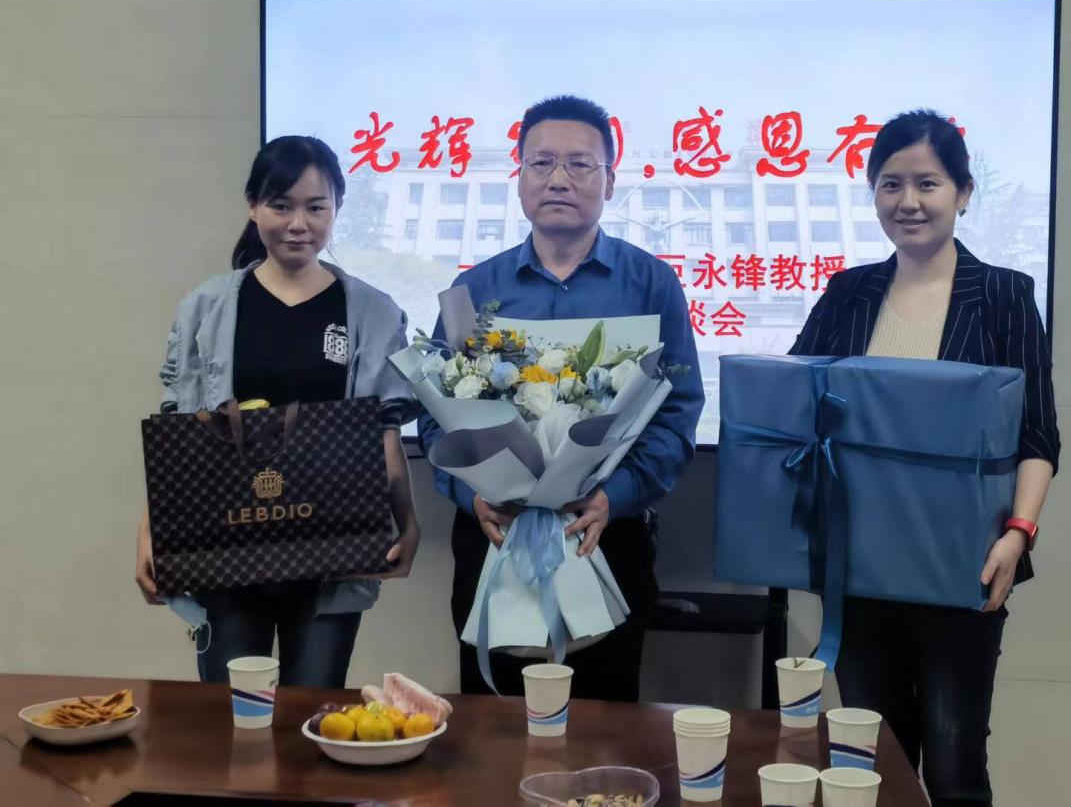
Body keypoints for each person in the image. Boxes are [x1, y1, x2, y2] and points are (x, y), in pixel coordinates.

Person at [791, 110, 1059, 806]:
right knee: (870, 766)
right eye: (890, 184)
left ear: (963, 193)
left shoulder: (1003, 295)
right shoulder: (847, 292)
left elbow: (1037, 436)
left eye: (927, 183)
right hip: (859, 569)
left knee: (954, 766)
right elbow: (790, 406)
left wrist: (1017, 534)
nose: (907, 201)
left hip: (963, 566)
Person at [418, 94, 705, 701]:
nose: (558, 179)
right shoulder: (474, 289)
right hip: (495, 532)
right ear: (520, 176)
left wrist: (613, 496)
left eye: (580, 164)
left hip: (606, 531)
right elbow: (435, 414)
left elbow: (678, 412)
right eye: (542, 162)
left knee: (606, 728)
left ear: (610, 181)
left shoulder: (651, 283)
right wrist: (471, 494)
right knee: (492, 727)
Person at [134, 135, 421, 688]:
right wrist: (151, 532)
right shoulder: (208, 307)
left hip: (332, 551)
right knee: (232, 708)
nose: (298, 224)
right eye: (281, 205)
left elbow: (383, 431)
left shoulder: (371, 311)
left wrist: (408, 523)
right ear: (253, 206)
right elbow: (180, 435)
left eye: (316, 207)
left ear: (337, 208)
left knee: (313, 706)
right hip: (226, 545)